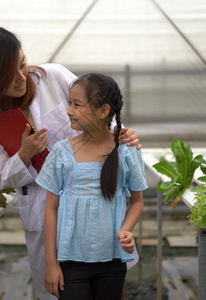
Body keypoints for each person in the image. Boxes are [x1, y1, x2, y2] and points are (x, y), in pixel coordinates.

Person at [0, 27, 141, 300]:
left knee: (108, 284)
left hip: (97, 209)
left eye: (22, 64)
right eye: (9, 76)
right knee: (64, 289)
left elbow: (100, 109)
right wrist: (24, 154)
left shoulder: (52, 77)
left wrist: (122, 133)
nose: (22, 78)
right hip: (48, 213)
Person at [36, 73, 147, 299]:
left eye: (77, 105)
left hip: (113, 260)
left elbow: (137, 201)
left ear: (103, 111)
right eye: (69, 102)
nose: (69, 110)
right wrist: (51, 263)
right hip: (70, 261)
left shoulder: (126, 150)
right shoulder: (61, 152)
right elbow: (50, 209)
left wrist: (126, 230)